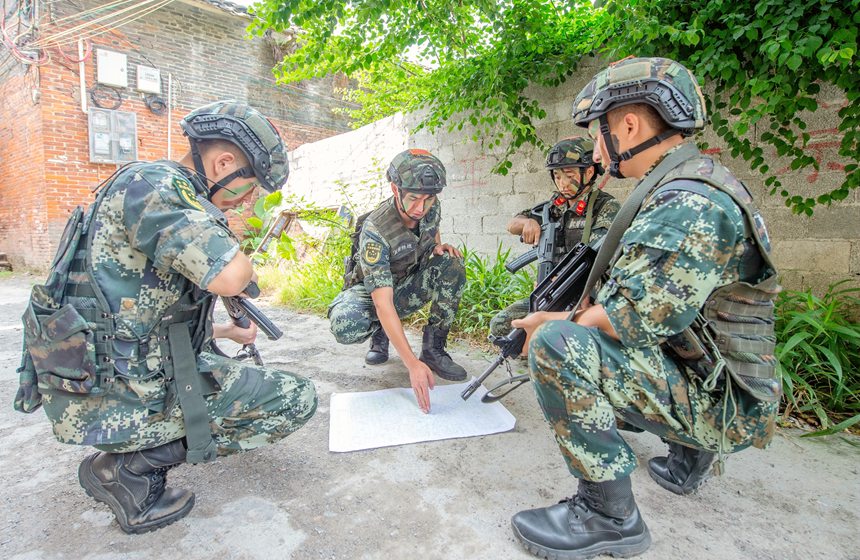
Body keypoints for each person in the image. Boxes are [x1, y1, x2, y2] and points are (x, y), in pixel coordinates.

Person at [508, 57, 781, 559]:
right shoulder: (688, 183)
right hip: (717, 378)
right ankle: (688, 455)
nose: (596, 149)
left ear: (627, 125)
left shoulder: (689, 202)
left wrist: (553, 321)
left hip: (729, 405)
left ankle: (607, 516)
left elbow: (627, 317)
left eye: (598, 135)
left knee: (559, 347)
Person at [14, 100, 318, 534]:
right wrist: (232, 234)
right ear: (223, 162)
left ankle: (128, 461)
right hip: (116, 395)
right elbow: (233, 276)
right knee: (293, 398)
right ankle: (126, 471)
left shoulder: (151, 188)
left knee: (232, 373)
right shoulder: (156, 186)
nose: (249, 199)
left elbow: (140, 321)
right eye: (249, 187)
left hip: (108, 376)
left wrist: (224, 330)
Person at [329, 149, 467, 413]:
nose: (420, 207)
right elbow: (383, 303)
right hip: (373, 293)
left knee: (451, 264)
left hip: (408, 281)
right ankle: (380, 335)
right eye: (414, 198)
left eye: (428, 199)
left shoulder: (429, 205)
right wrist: (411, 364)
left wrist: (436, 249)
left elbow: (432, 227)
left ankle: (434, 349)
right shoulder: (377, 228)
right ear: (395, 189)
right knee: (346, 324)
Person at [489, 136, 619, 338]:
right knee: (501, 325)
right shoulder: (552, 207)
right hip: (551, 292)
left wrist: (575, 289)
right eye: (557, 176)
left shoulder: (605, 207)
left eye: (569, 175)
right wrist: (527, 222)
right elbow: (512, 224)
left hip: (588, 296)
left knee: (568, 333)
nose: (562, 183)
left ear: (589, 172)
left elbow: (597, 256)